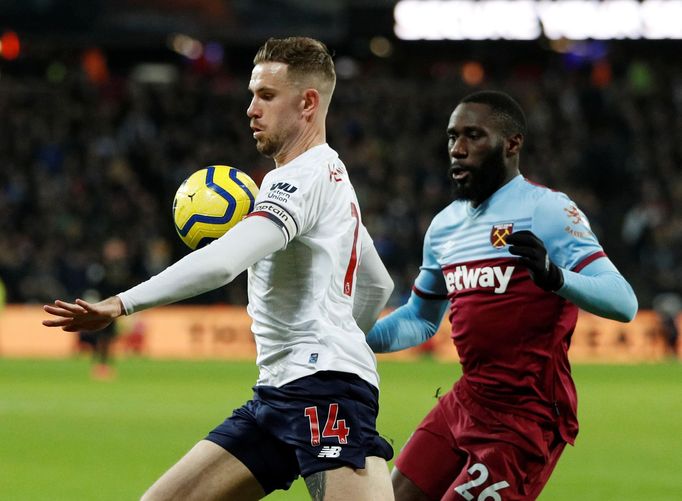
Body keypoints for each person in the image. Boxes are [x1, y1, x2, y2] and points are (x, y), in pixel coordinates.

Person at [43, 37, 395, 501]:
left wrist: (119, 302)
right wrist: (345, 339)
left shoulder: (299, 179)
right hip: (279, 392)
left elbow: (225, 262)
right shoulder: (333, 179)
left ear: (308, 102)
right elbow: (378, 282)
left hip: (322, 392)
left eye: (266, 96)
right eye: (252, 94)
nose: (251, 108)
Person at [366, 90, 638, 501]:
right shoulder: (444, 226)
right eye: (452, 137)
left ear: (512, 144)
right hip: (467, 399)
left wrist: (555, 277)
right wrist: (353, 339)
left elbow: (624, 302)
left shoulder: (546, 209)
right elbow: (420, 318)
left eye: (473, 136)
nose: (457, 149)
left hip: (526, 418)